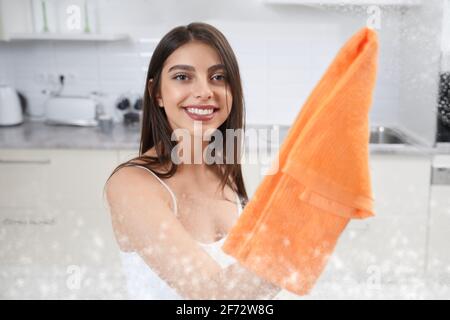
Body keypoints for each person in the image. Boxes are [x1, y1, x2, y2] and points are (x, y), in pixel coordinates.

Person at [104, 22, 281, 300]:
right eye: (183, 77)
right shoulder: (131, 186)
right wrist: (303, 239)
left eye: (218, 77)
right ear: (157, 93)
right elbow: (214, 296)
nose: (204, 91)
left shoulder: (224, 171)